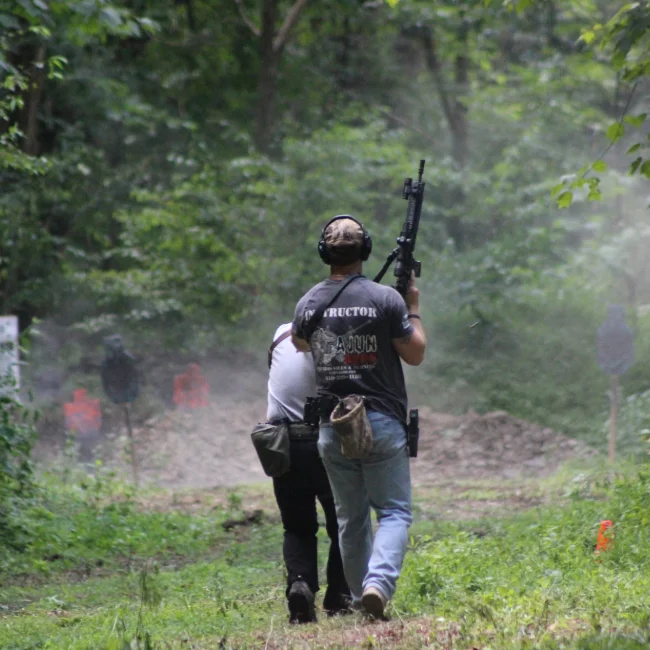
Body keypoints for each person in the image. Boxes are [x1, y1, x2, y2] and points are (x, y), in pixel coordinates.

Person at [291, 215, 426, 620]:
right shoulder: (387, 299)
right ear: (365, 251)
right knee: (395, 512)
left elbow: (300, 343)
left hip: (333, 425)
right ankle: (377, 586)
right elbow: (415, 353)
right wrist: (413, 308)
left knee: (350, 520)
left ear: (324, 253)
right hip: (381, 420)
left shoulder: (308, 303)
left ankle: (360, 599)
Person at [267, 322, 351, 624]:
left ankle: (300, 584)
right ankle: (340, 596)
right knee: (343, 523)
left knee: (297, 526)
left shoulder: (280, 333)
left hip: (285, 444)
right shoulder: (340, 338)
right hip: (327, 442)